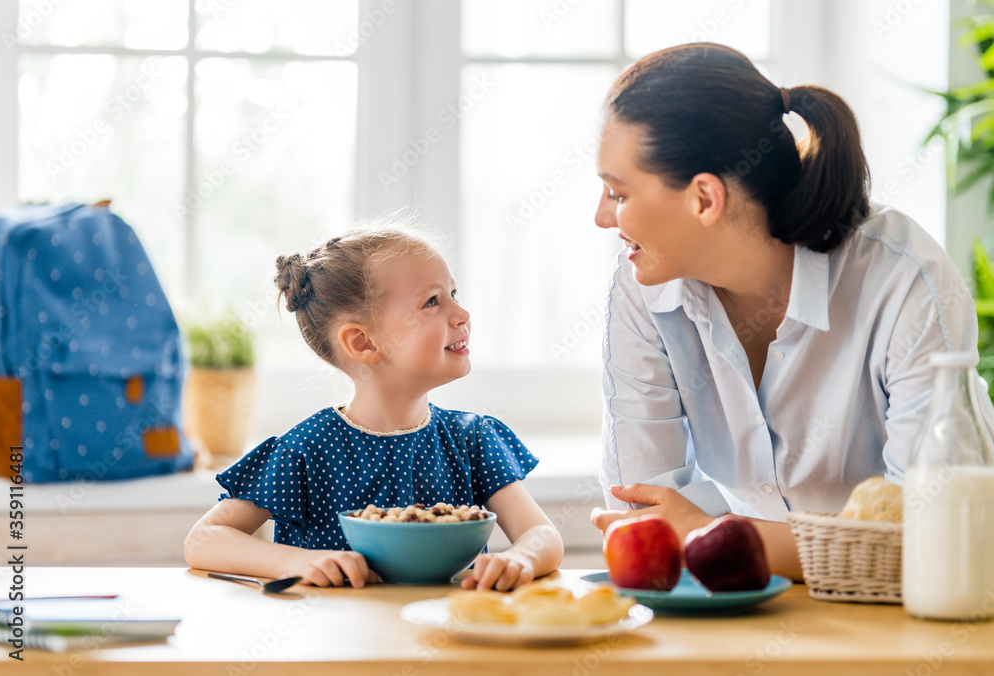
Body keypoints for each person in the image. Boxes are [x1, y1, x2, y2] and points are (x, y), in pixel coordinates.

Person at [588, 43, 986, 581]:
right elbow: (641, 516)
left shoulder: (903, 278)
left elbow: (933, 537)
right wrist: (707, 534)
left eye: (617, 193)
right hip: (735, 605)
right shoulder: (641, 286)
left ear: (705, 199)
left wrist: (711, 533)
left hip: (895, 619)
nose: (601, 218)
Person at [184, 226, 564, 590]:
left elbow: (542, 535)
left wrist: (521, 559)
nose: (462, 313)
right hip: (341, 648)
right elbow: (204, 540)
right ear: (363, 343)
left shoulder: (471, 440)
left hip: (449, 644)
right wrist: (295, 562)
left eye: (453, 293)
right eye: (432, 301)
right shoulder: (307, 449)